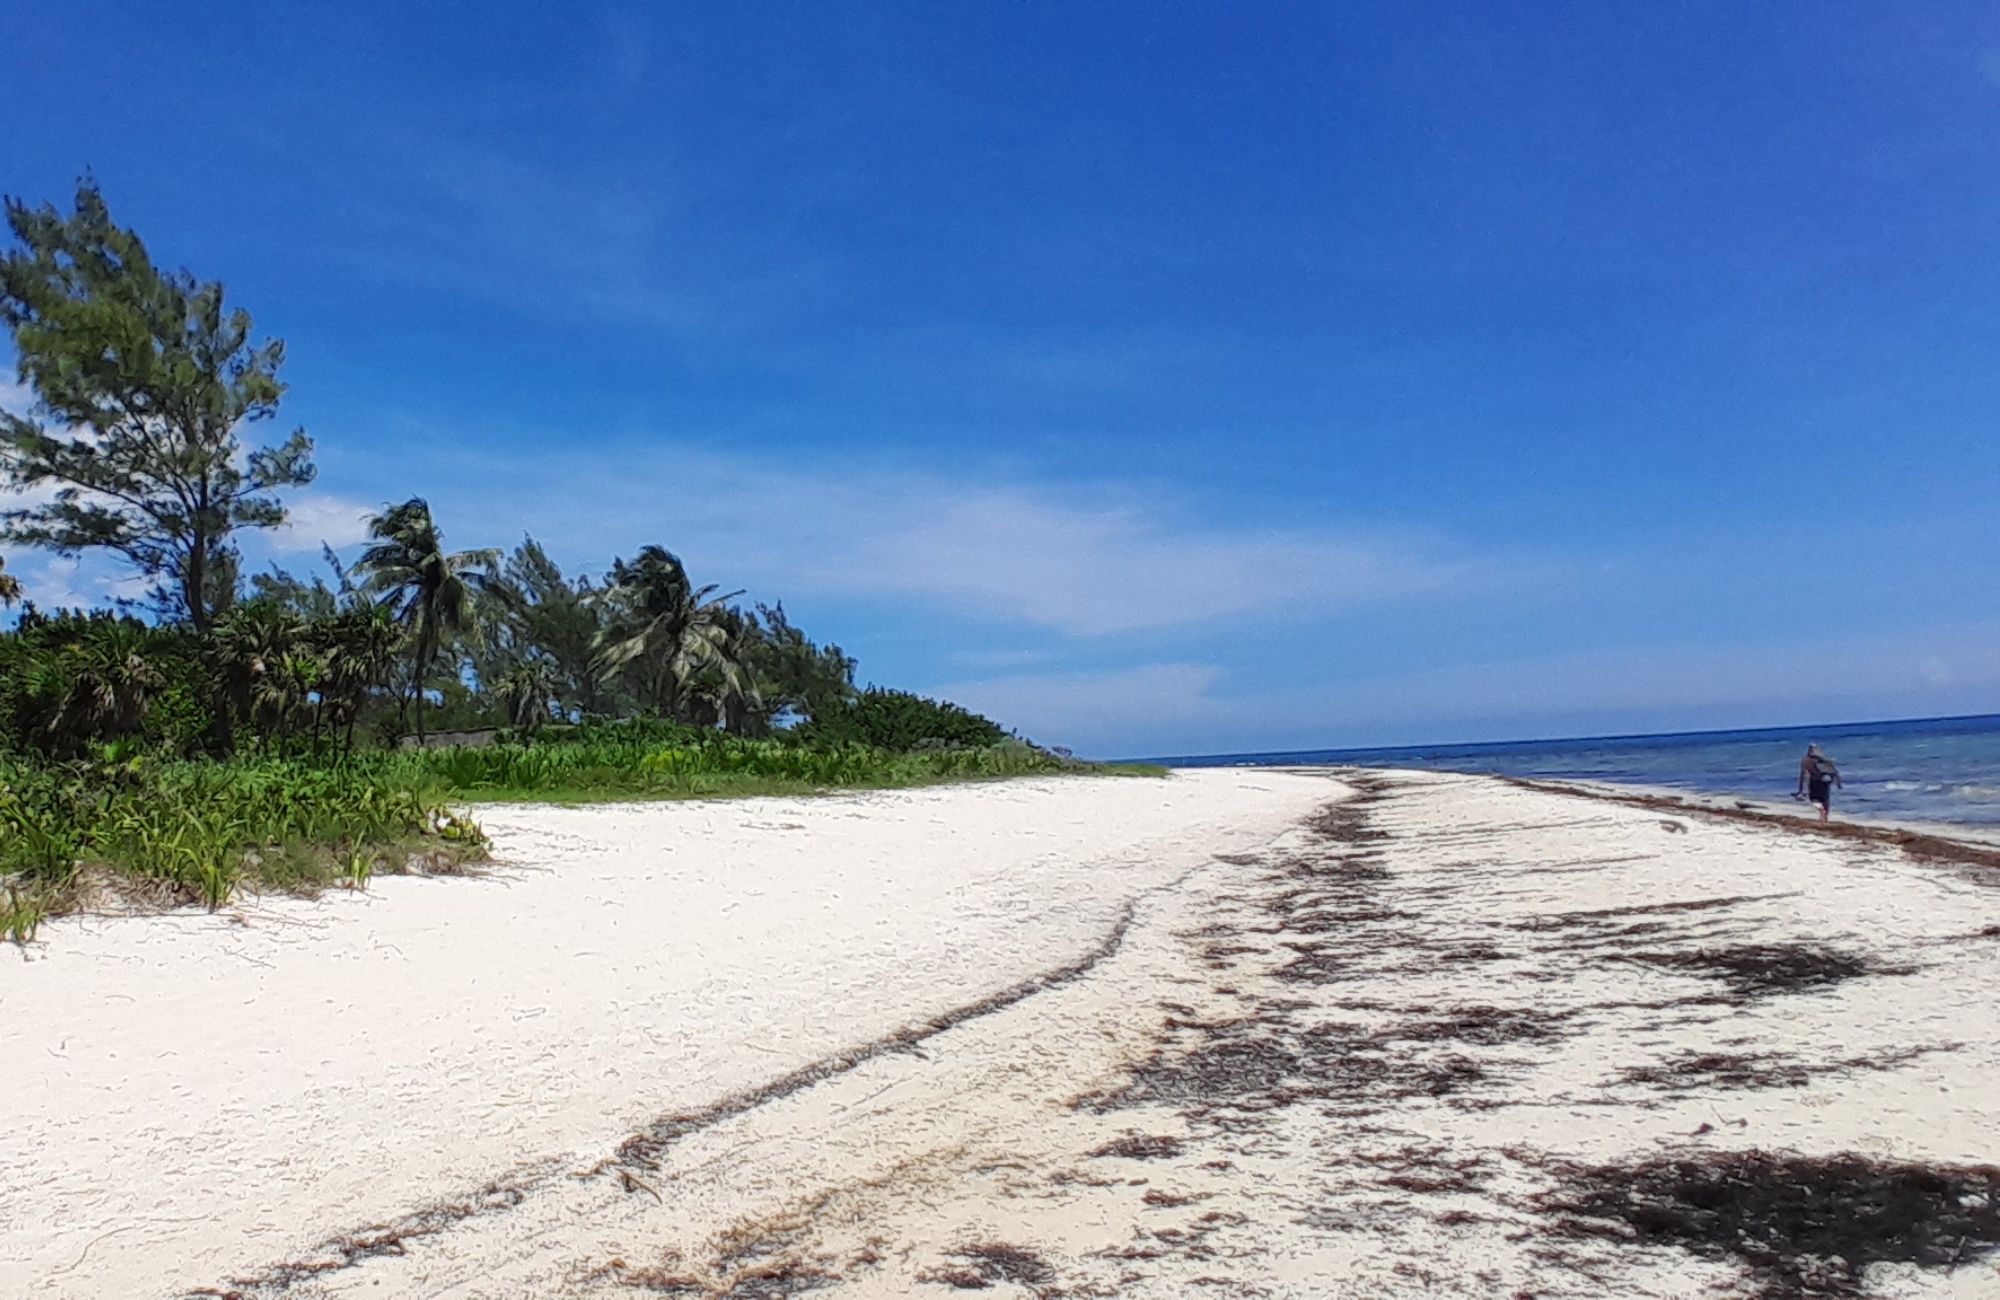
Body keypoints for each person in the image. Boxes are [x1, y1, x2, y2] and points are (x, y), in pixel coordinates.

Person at [1796, 743, 1842, 822]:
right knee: (1825, 800)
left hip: (1814, 781)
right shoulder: (1824, 760)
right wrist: (1838, 783)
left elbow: (1802, 775)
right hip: (1825, 781)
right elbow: (1834, 772)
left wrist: (1800, 789)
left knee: (1813, 799)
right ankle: (1825, 819)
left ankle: (1821, 811)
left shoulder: (1805, 760)